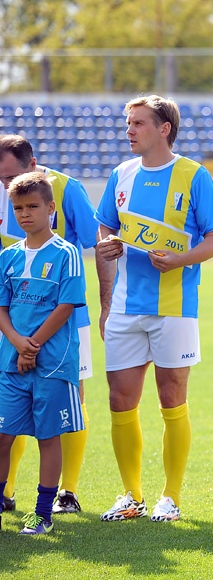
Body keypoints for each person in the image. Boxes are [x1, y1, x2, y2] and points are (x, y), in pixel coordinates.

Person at [94, 95, 213, 523]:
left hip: (174, 306)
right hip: (126, 309)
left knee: (171, 398)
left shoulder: (193, 175)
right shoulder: (121, 174)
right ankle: (131, 495)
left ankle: (170, 496)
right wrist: (107, 247)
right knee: (120, 400)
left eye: (138, 123)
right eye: (127, 123)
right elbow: (105, 227)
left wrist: (179, 260)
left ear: (164, 128)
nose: (129, 130)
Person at [0, 134, 108, 516]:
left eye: (10, 175)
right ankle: (8, 490)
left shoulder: (66, 189)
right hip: (12, 327)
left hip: (59, 331)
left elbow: (96, 238)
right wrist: (16, 340)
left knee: (65, 409)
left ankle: (66, 492)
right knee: (7, 417)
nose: (5, 183)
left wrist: (106, 301)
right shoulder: (10, 250)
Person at [0, 172, 86, 534]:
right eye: (18, 208)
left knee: (48, 437)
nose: (25, 214)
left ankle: (42, 513)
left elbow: (66, 305)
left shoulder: (67, 254)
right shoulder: (7, 257)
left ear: (51, 208)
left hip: (53, 364)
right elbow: (2, 309)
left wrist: (31, 346)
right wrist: (18, 344)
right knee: (2, 436)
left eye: (33, 206)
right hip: (11, 362)